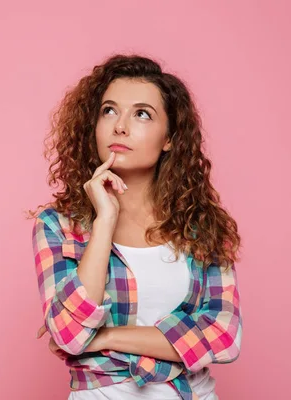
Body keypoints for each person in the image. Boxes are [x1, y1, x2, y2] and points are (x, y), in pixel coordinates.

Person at [28, 54, 243, 400]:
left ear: (169, 138)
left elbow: (224, 334)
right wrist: (104, 222)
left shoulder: (199, 226)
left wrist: (107, 337)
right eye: (109, 110)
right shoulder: (58, 225)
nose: (120, 126)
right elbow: (69, 336)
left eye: (142, 114)